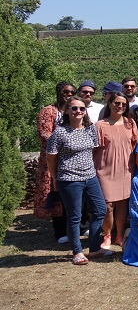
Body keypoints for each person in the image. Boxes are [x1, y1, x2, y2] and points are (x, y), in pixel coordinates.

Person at [46, 96, 108, 264]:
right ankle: (77, 252)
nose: (78, 111)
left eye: (81, 108)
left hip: (90, 177)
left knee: (100, 209)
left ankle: (94, 248)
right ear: (67, 110)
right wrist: (54, 177)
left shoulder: (90, 129)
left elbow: (93, 151)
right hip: (69, 179)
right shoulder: (59, 132)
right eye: (74, 108)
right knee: (74, 216)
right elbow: (51, 157)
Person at [94, 92, 138, 250]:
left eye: (123, 104)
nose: (120, 106)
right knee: (108, 205)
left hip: (125, 169)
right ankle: (107, 235)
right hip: (105, 169)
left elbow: (134, 145)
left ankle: (119, 235)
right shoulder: (100, 125)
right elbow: (94, 150)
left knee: (122, 204)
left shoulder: (130, 123)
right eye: (117, 103)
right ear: (110, 104)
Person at [35, 81, 75, 243]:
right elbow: (45, 135)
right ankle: (59, 231)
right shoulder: (49, 111)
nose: (69, 94)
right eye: (66, 92)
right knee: (56, 193)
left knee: (70, 194)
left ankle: (71, 228)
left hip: (70, 160)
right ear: (59, 93)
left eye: (72, 92)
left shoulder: (73, 111)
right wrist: (66, 144)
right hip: (53, 160)